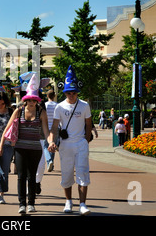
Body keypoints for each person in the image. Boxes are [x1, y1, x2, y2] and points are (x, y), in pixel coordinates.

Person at [1, 74, 50, 214]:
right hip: (20, 148)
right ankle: (22, 204)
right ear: (26, 99)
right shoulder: (19, 111)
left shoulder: (41, 112)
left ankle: (31, 204)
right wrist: (0, 145)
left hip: (35, 148)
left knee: (32, 176)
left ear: (37, 101)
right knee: (21, 176)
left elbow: (46, 131)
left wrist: (51, 141)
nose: (32, 103)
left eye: (34, 100)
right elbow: (8, 128)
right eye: (29, 100)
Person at [48, 65, 93, 216]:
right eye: (68, 92)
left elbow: (88, 124)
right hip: (66, 145)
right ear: (65, 92)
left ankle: (82, 204)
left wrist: (85, 141)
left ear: (77, 92)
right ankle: (68, 201)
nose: (71, 95)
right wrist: (52, 141)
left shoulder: (85, 105)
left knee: (83, 173)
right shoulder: (59, 107)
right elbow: (54, 126)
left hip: (80, 144)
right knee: (66, 174)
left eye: (74, 92)